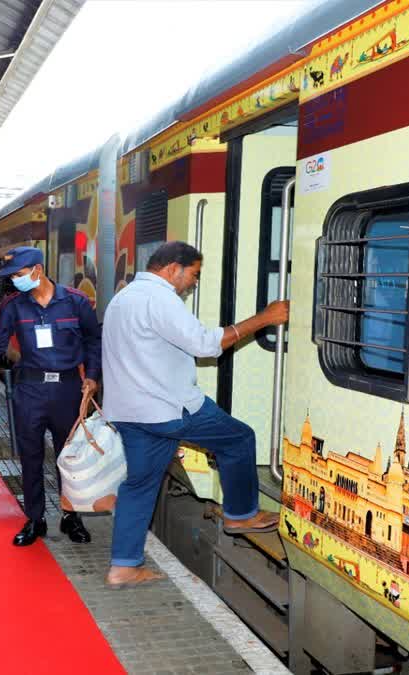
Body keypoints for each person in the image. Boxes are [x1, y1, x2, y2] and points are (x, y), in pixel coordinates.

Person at [101, 242, 290, 588]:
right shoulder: (160, 299)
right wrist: (266, 318)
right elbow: (205, 345)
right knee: (239, 438)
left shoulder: (123, 298)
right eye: (194, 274)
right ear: (174, 268)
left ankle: (123, 567)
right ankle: (241, 514)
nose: (193, 283)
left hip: (130, 413)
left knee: (139, 485)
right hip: (168, 409)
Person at [0, 246, 101, 546]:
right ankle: (35, 519)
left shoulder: (76, 302)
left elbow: (95, 342)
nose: (15, 281)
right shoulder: (14, 306)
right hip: (29, 388)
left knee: (69, 456)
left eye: (18, 274)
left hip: (68, 389)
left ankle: (71, 517)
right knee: (30, 456)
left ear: (37, 270)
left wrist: (92, 377)